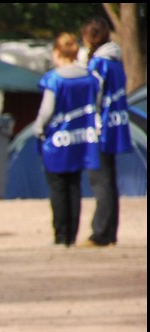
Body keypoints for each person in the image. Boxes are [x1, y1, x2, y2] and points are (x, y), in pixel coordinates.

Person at [32, 33, 100, 247]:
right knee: (74, 186)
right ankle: (72, 234)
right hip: (80, 139)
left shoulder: (55, 78)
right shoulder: (89, 77)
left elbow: (47, 110)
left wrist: (38, 128)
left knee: (58, 187)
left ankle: (61, 235)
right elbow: (96, 105)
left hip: (58, 141)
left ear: (56, 52)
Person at [81, 17, 133, 247]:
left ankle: (100, 232)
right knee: (109, 180)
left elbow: (93, 96)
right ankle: (110, 231)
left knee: (100, 180)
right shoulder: (116, 61)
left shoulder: (99, 64)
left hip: (100, 127)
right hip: (115, 125)